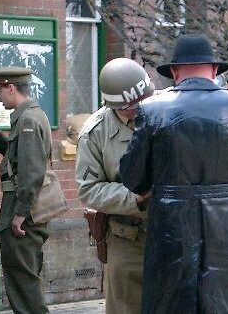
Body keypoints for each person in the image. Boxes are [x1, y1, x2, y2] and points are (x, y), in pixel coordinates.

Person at [120, 33, 228, 314]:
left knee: (170, 304)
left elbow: (133, 178)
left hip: (171, 230)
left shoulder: (151, 109)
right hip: (225, 232)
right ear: (214, 70)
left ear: (174, 72)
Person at [75, 58, 153, 314]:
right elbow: (88, 189)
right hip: (128, 236)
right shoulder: (95, 133)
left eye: (144, 100)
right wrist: (134, 195)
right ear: (114, 105)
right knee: (125, 306)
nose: (140, 109)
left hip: (175, 230)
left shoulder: (167, 111)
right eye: (131, 107)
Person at [0, 66, 52, 314]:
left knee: (24, 284)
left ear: (11, 88)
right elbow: (19, 160)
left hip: (23, 211)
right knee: (25, 278)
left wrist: (20, 214)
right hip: (27, 208)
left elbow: (32, 172)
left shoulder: (28, 120)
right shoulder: (30, 116)